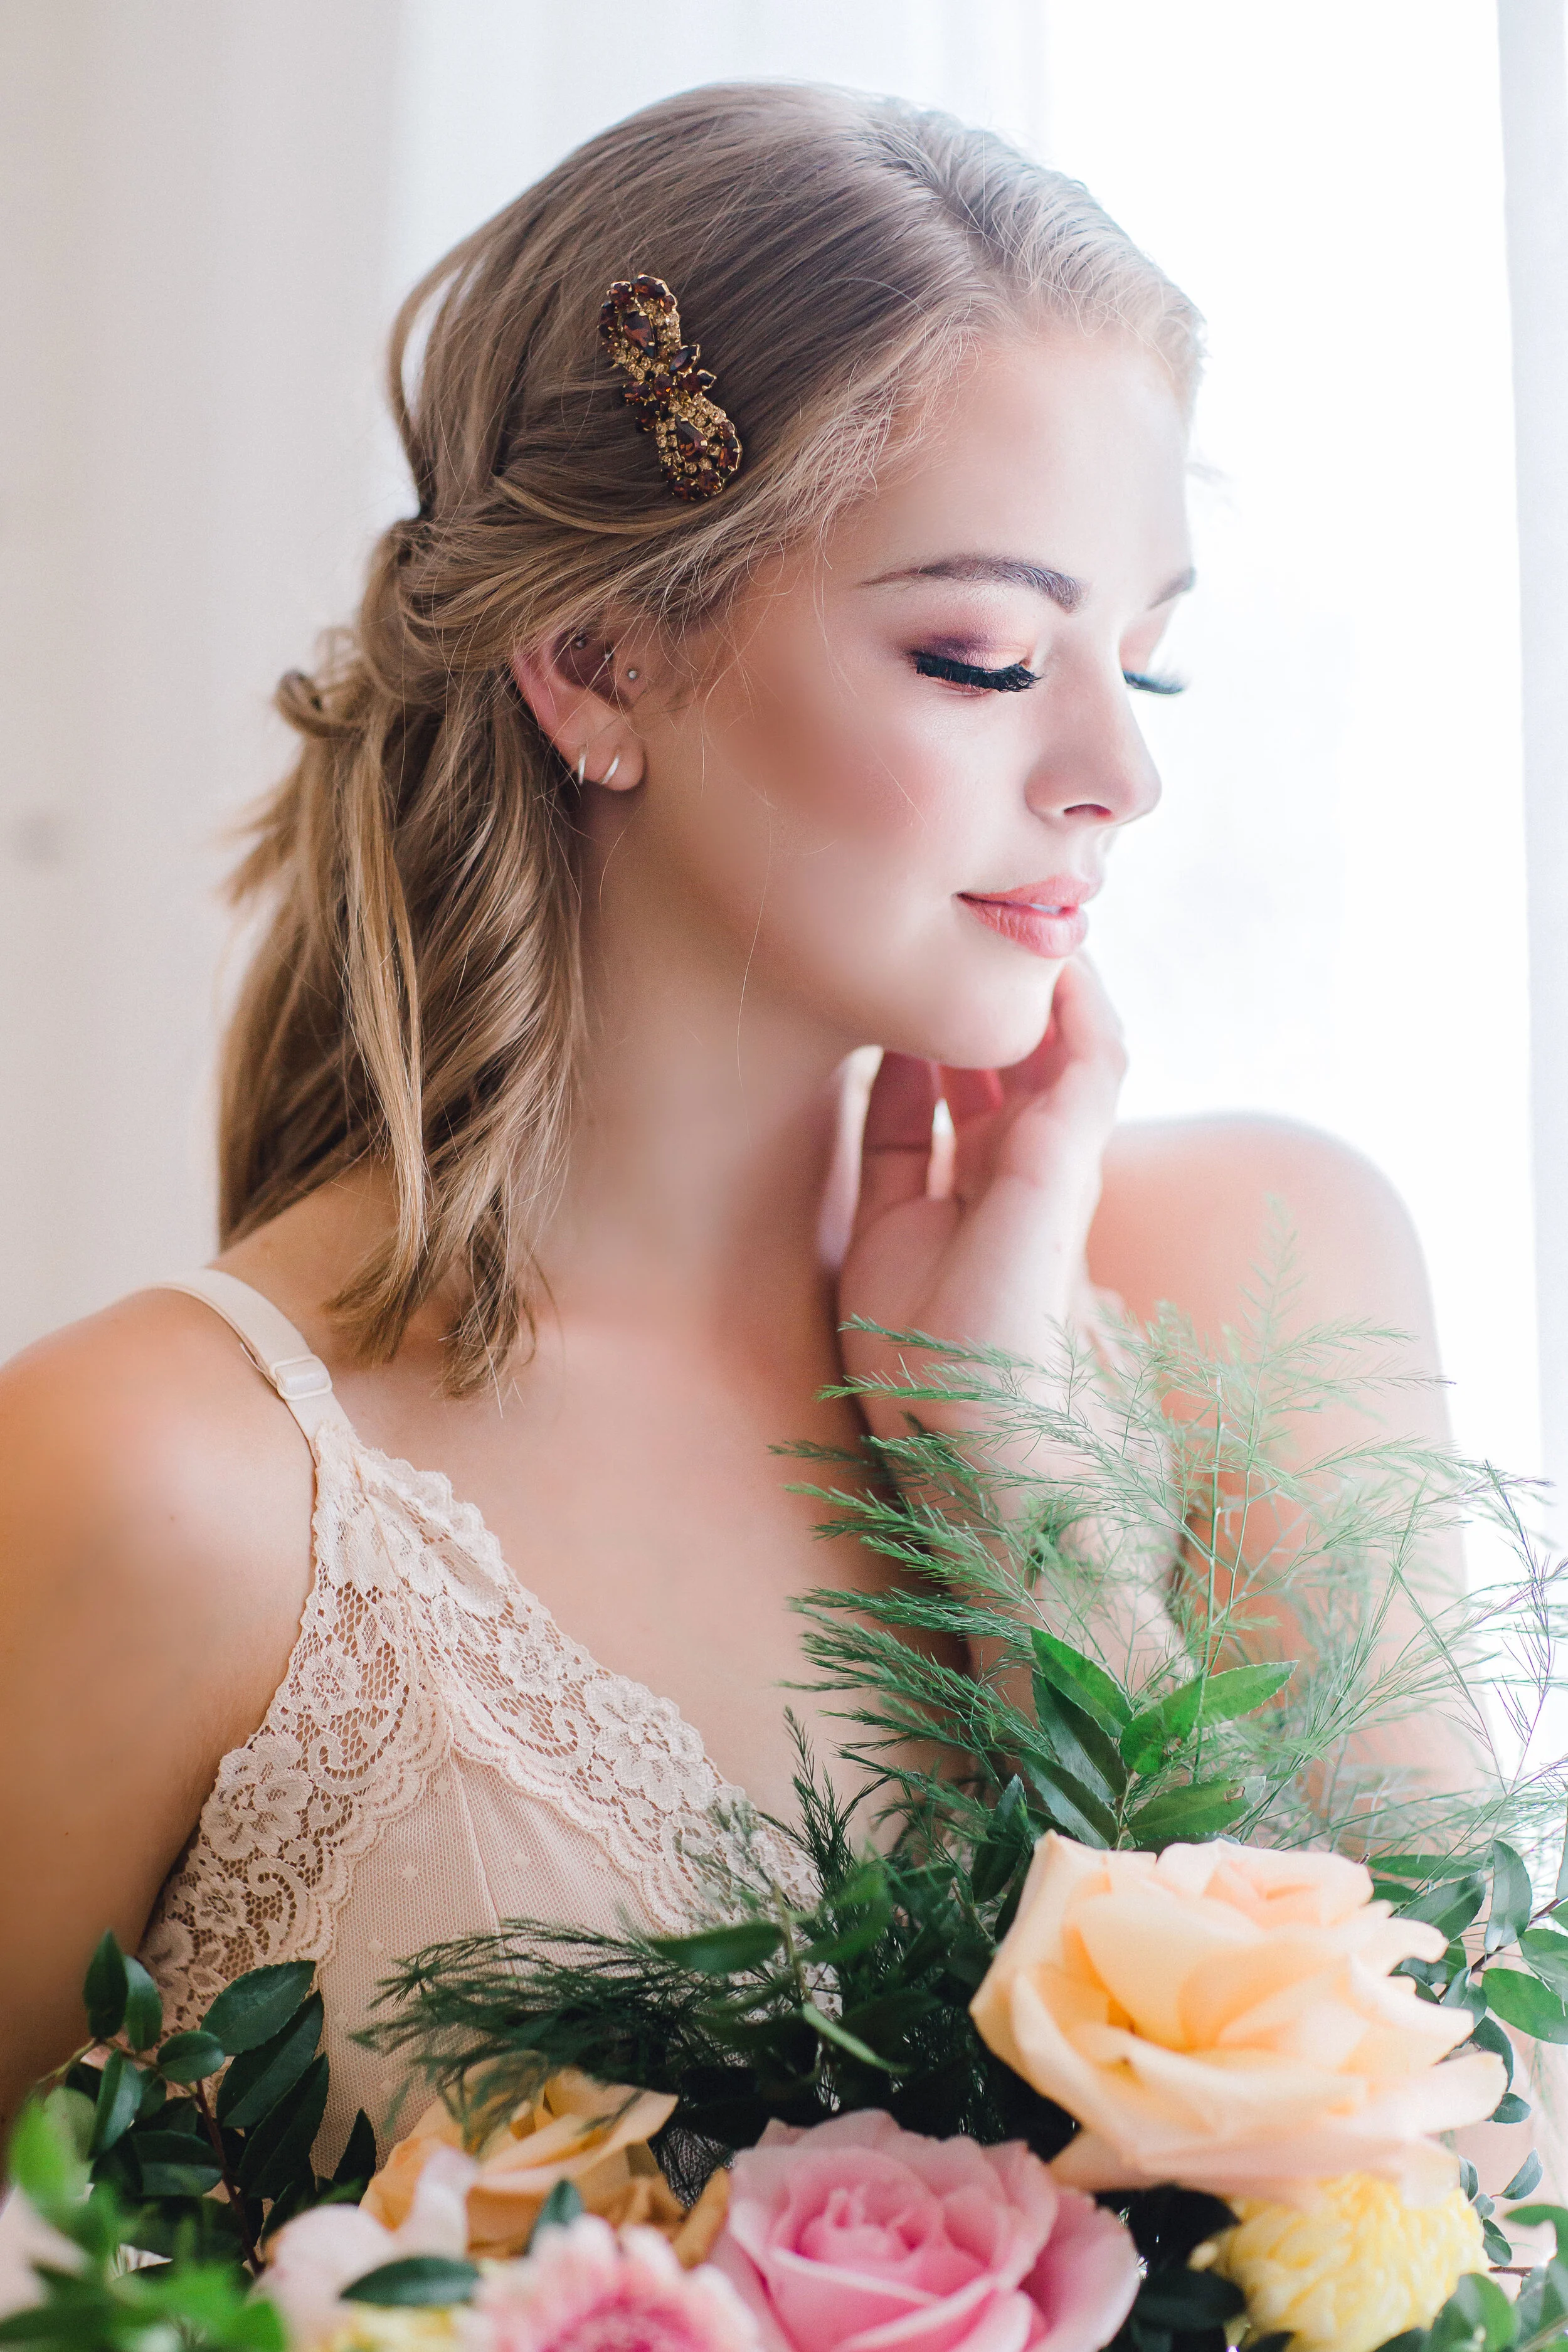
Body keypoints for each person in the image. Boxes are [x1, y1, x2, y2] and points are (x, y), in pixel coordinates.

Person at [0, 83, 1457, 2160]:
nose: (1118, 775)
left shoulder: (1265, 1272)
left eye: (1149, 664)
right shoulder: (167, 1488)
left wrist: (1020, 1504)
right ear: (593, 656)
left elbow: (1496, 2199)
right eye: (980, 654)